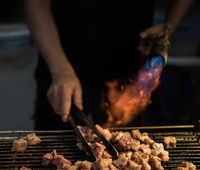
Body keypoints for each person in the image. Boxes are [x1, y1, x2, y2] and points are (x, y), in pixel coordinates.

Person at [24, 0, 194, 130]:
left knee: (128, 149)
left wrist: (168, 27)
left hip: (129, 68)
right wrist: (60, 71)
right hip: (62, 61)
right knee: (57, 137)